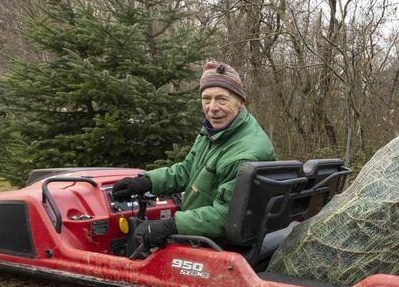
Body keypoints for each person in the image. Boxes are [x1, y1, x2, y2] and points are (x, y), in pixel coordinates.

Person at [112, 61, 276, 250]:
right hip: (204, 232)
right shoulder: (216, 131)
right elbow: (188, 169)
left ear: (240, 102)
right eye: (206, 99)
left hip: (220, 244)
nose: (212, 108)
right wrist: (147, 182)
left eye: (222, 99)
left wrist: (171, 225)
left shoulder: (245, 153)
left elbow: (226, 216)